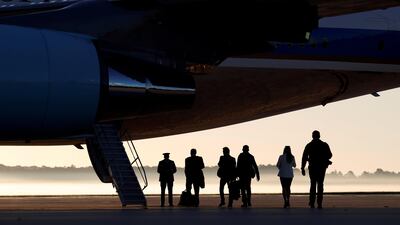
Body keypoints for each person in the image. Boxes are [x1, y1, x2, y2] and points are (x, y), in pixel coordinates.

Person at [301, 130, 333, 209]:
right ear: (319, 136)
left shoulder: (309, 145)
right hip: (322, 168)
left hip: (312, 167)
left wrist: (302, 168)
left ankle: (312, 203)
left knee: (312, 185)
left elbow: (304, 157)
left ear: (312, 136)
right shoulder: (324, 145)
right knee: (320, 185)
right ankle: (319, 203)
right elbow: (330, 155)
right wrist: (323, 158)